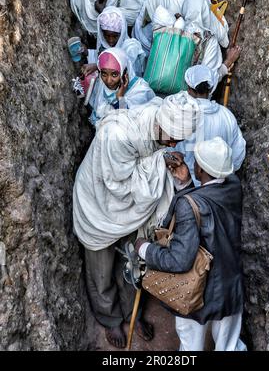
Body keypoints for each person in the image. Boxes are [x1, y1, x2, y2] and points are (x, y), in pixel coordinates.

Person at [73, 91, 201, 348]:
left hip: (131, 209)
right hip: (100, 204)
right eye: (173, 138)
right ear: (162, 125)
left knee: (132, 261)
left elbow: (144, 173)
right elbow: (118, 184)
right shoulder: (118, 136)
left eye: (179, 139)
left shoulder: (159, 123)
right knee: (102, 269)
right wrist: (159, 161)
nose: (174, 143)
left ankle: (133, 313)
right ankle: (110, 319)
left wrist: (162, 158)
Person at [135, 137, 247, 351]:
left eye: (196, 162)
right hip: (230, 286)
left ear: (202, 169)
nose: (193, 164)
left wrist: (144, 249)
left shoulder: (188, 205)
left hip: (197, 293)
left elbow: (179, 260)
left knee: (190, 350)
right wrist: (185, 184)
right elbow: (205, 208)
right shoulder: (234, 186)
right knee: (230, 347)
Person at [175, 64, 246, 184]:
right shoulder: (226, 115)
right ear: (211, 88)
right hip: (219, 186)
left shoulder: (180, 115)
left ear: (189, 88)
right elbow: (238, 152)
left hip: (184, 183)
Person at [85, 47, 156, 125]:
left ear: (125, 73)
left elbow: (129, 123)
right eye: (104, 74)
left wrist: (120, 99)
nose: (108, 81)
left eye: (114, 74)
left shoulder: (141, 91)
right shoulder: (103, 85)